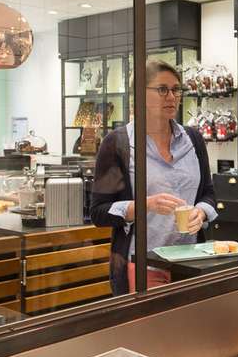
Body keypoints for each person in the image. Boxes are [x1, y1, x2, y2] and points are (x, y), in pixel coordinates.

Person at [90, 59, 217, 295]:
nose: (172, 96)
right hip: (141, 265)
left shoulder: (193, 139)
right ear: (140, 94)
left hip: (190, 263)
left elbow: (208, 194)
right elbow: (98, 212)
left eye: (176, 89)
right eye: (162, 89)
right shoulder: (117, 143)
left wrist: (202, 211)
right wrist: (145, 205)